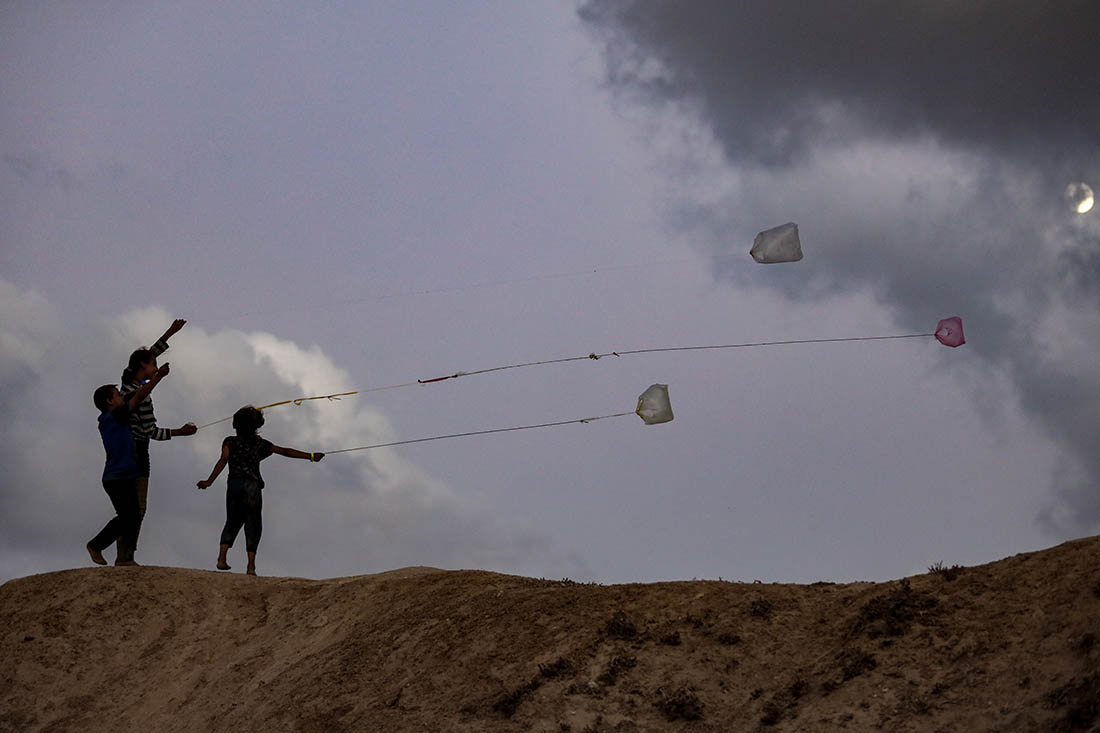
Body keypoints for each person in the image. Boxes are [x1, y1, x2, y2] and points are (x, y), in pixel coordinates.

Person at [197, 406, 324, 576]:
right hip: (252, 486)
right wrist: (311, 456)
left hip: (234, 484)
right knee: (253, 522)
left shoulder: (230, 442)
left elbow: (223, 460)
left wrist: (209, 481)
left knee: (232, 520)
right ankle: (251, 567)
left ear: (235, 425)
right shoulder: (261, 444)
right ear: (256, 426)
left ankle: (221, 558)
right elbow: (285, 451)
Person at [120, 318, 197, 554]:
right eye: (153, 364)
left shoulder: (130, 382)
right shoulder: (134, 395)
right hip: (136, 452)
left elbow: (149, 355)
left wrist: (170, 332)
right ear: (143, 366)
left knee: (133, 507)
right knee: (136, 507)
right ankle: (125, 554)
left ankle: (126, 554)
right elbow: (150, 429)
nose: (156, 366)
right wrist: (181, 432)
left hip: (133, 450)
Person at [88, 363, 171, 567]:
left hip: (124, 475)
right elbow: (138, 396)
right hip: (117, 478)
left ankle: (125, 558)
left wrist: (139, 387)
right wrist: (158, 377)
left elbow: (132, 395)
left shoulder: (110, 416)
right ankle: (96, 545)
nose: (121, 397)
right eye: (117, 395)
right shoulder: (115, 416)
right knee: (128, 516)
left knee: (132, 516)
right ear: (109, 401)